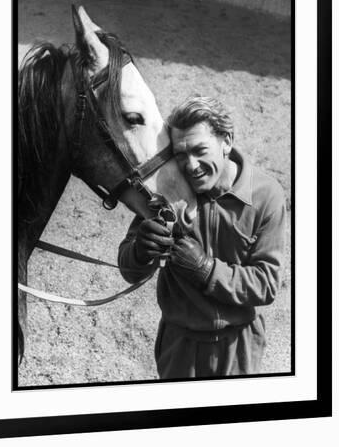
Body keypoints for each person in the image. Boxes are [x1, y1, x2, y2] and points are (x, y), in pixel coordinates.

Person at [118, 96, 286, 378]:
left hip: (238, 348)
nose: (190, 165)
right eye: (180, 154)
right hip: (179, 346)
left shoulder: (266, 195)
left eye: (199, 150)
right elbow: (129, 270)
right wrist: (140, 250)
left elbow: (267, 284)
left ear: (227, 142)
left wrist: (207, 270)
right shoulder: (169, 188)